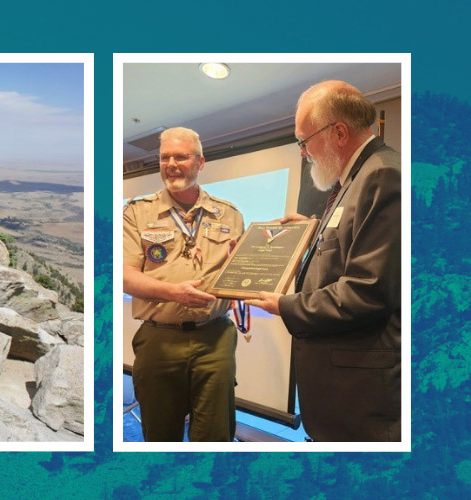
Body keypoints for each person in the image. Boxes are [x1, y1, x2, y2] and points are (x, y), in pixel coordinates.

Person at [246, 81, 401, 442]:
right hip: (343, 393)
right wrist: (312, 232)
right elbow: (351, 243)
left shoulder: (382, 175)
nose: (302, 152)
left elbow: (368, 290)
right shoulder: (358, 177)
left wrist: (285, 305)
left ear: (340, 133)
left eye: (303, 141)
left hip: (361, 401)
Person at [122, 127, 244, 442]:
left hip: (214, 339)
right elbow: (125, 275)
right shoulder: (137, 212)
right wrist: (176, 293)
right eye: (165, 157)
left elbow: (242, 274)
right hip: (159, 341)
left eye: (181, 156)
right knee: (160, 435)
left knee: (215, 435)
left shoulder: (229, 214)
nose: (172, 164)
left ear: (200, 162)